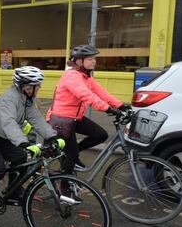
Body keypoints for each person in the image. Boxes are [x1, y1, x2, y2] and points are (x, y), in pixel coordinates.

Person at [0, 66, 58, 198]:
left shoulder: (26, 99)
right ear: (26, 87)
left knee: (20, 158)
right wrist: (23, 143)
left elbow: (36, 119)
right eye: (36, 86)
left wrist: (51, 137)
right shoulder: (9, 99)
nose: (39, 88)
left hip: (0, 136)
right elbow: (8, 122)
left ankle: (13, 190)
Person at [48, 44, 129, 173]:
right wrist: (109, 109)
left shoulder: (85, 77)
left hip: (75, 117)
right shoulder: (71, 77)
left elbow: (101, 92)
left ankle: (69, 155)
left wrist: (121, 106)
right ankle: (65, 187)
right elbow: (87, 96)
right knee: (72, 155)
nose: (94, 61)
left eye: (94, 58)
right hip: (61, 120)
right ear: (79, 61)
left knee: (100, 135)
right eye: (90, 59)